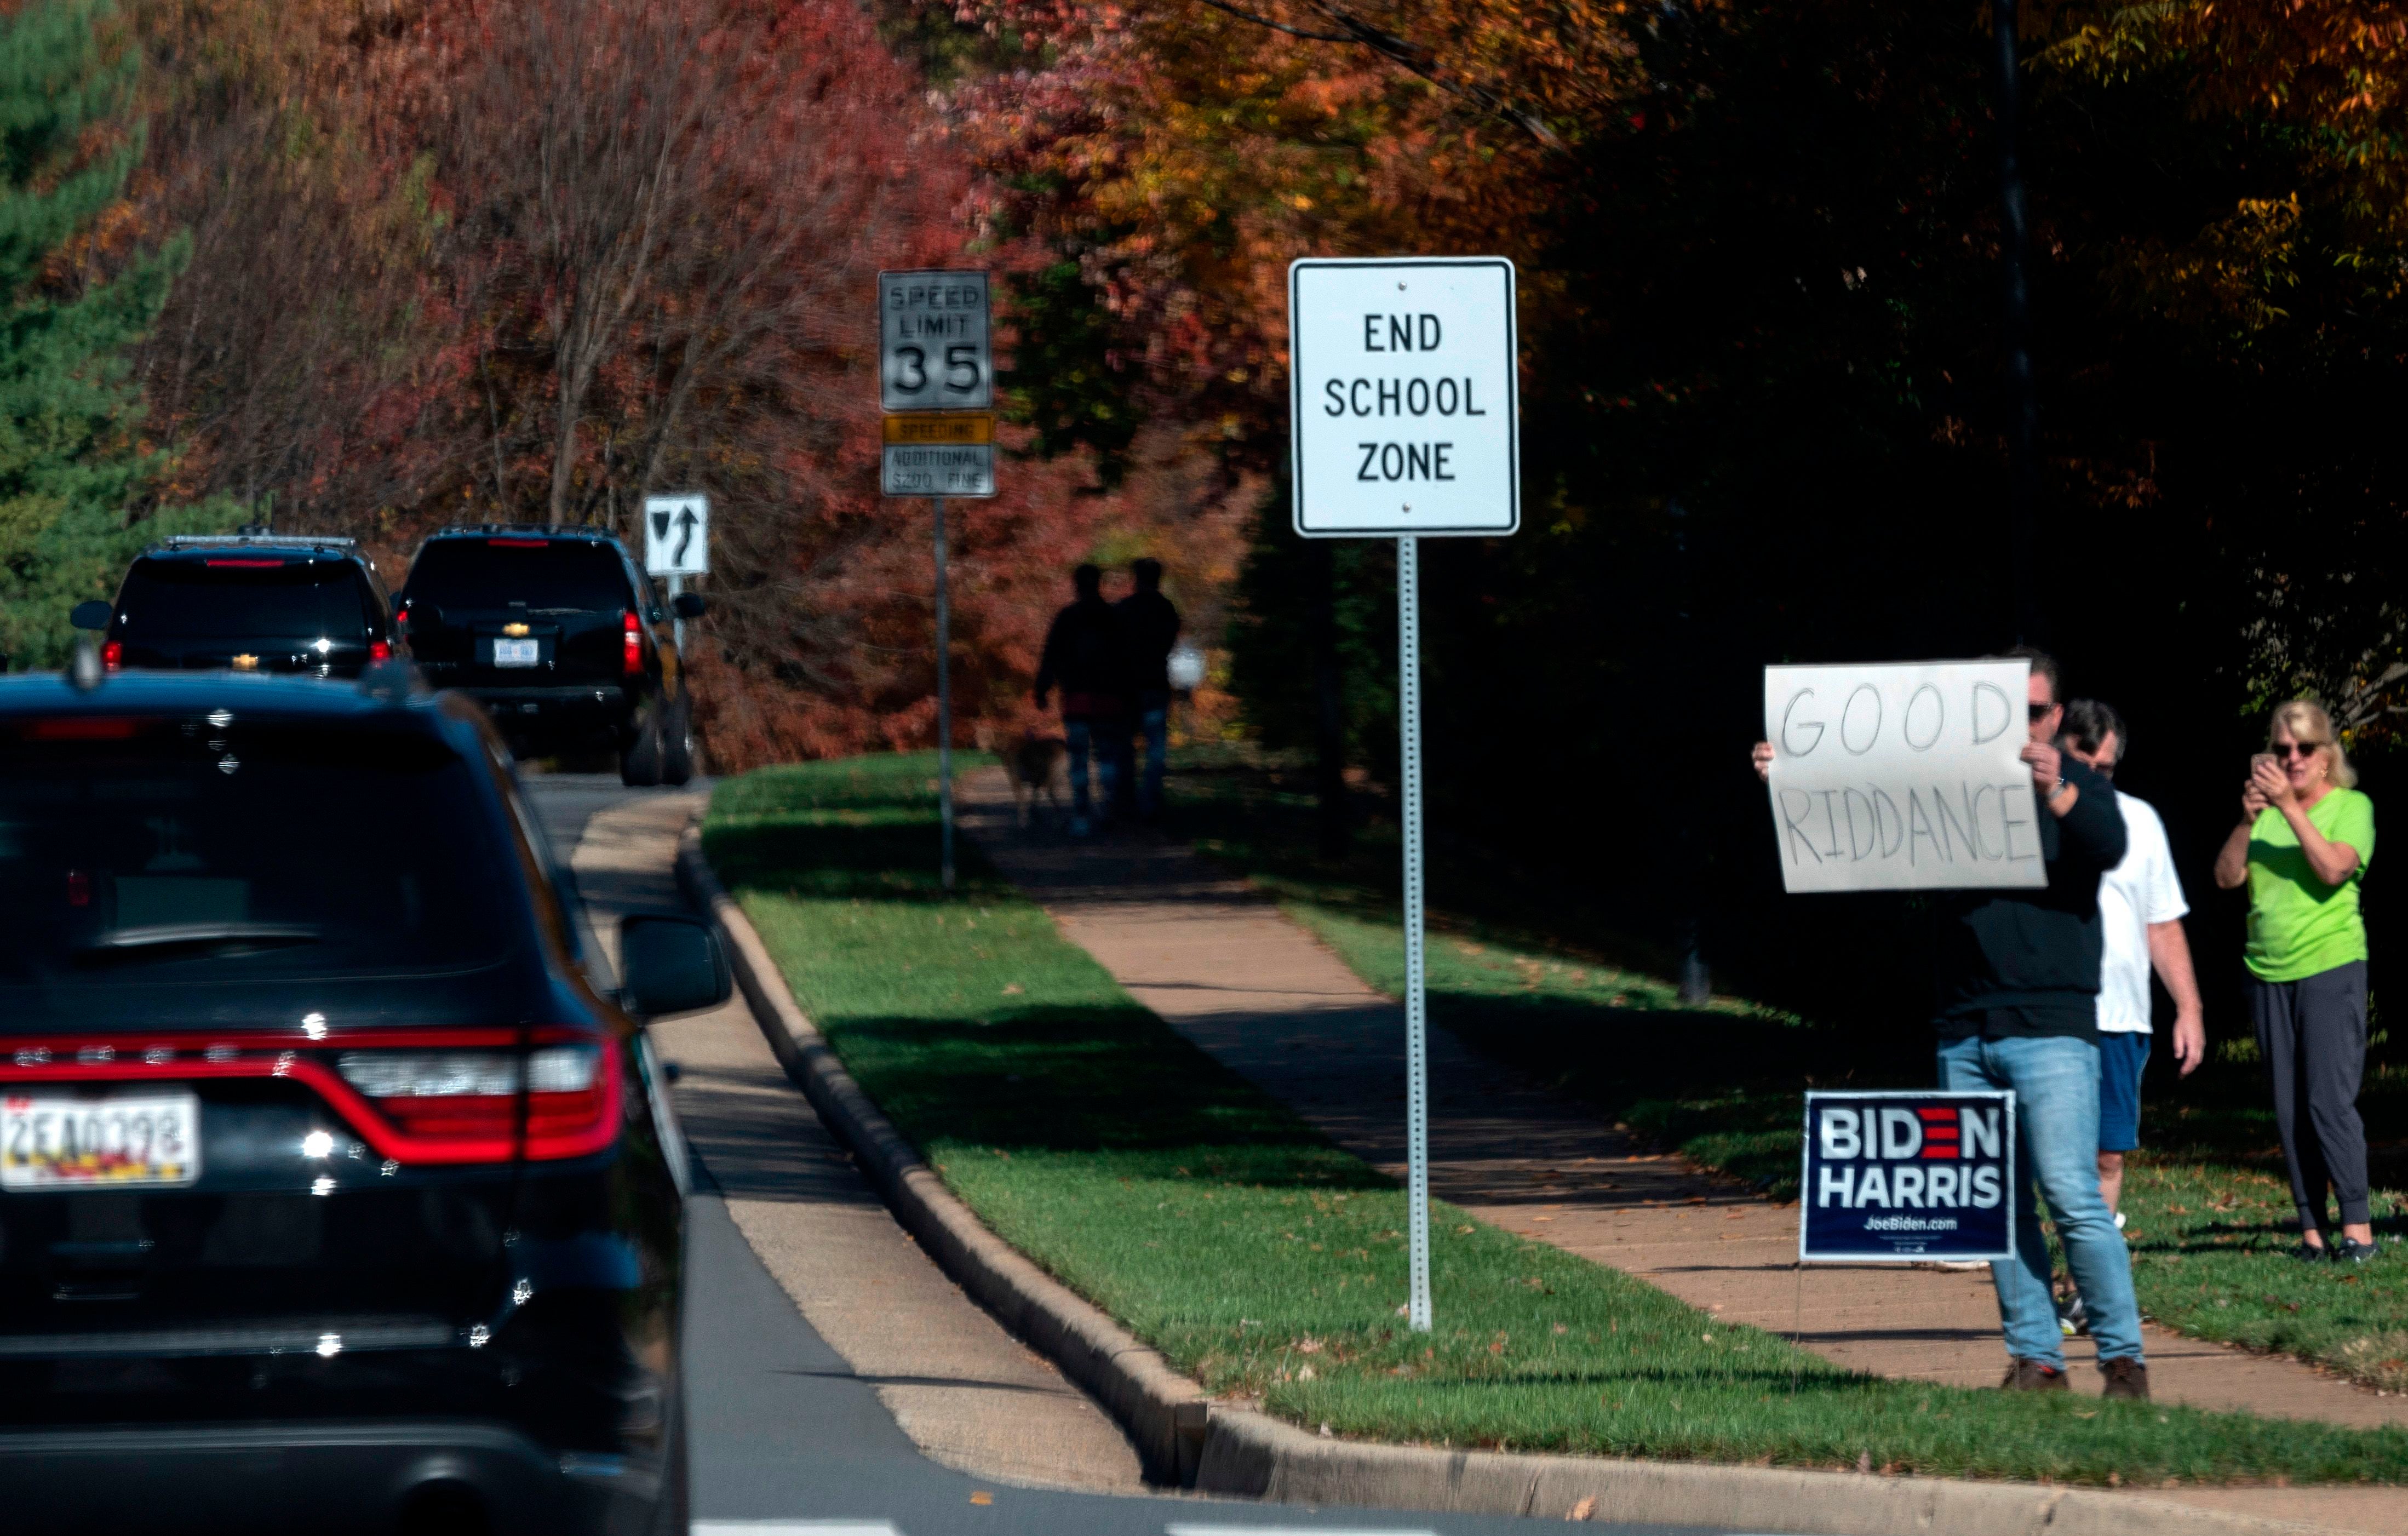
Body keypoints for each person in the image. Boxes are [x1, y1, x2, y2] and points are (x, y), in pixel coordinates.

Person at [1751, 646, 2148, 1397]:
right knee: (1994, 1206)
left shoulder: (2079, 786)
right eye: (2002, 714)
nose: (2020, 728)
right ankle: (2037, 1361)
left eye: (2033, 713)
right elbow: (1860, 812)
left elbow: (2112, 843)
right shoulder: (1946, 786)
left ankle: (2124, 1359)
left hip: (2052, 1024)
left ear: (2057, 717)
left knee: (2070, 1194)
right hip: (1964, 1025)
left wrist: (2057, 778)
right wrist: (1793, 776)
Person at [2051, 699, 2205, 1337]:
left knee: (2107, 1157)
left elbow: (2161, 919)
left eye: (2105, 768)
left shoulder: (2139, 820)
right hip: (2049, 1009)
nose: (2093, 776)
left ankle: (2080, 1286)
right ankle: (2058, 1279)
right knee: (2049, 1158)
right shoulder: (2023, 810)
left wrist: (2189, 1005)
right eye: (2080, 763)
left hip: (2121, 1015)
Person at [2212, 700, 2379, 1263]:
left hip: (2330, 965)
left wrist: (2290, 809)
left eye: (2304, 748)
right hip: (2266, 972)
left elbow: (2333, 868)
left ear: (2326, 755)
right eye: (2282, 749)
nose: (2292, 758)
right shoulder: (2262, 815)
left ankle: (2357, 1228)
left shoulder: (2351, 806)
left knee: (2327, 1101)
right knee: (2287, 1106)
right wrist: (2247, 818)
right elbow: (2225, 876)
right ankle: (2311, 1231)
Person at [1033, 565, 1124, 835]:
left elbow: (1051, 655)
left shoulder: (1068, 617)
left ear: (1076, 585)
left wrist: (1042, 689)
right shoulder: (1113, 617)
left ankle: (1082, 815)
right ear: (1099, 583)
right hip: (1109, 698)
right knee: (1107, 756)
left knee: (1079, 759)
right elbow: (1125, 659)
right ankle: (1109, 809)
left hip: (1077, 698)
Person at [1115, 558, 1181, 821]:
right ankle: (1150, 802)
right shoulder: (1166, 609)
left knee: (1125, 745)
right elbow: (1169, 643)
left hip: (1128, 687)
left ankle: (1126, 801)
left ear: (1136, 578)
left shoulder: (1124, 609)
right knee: (1156, 747)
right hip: (1155, 684)